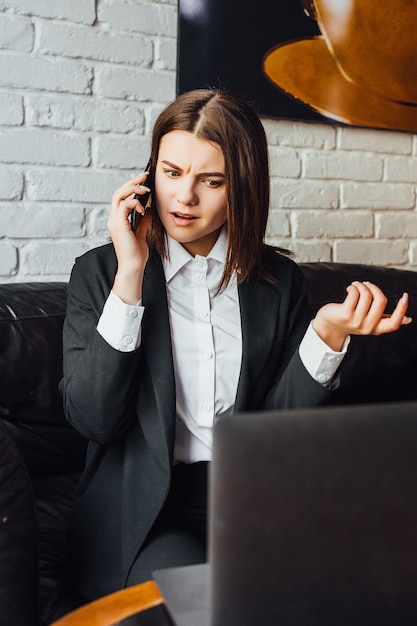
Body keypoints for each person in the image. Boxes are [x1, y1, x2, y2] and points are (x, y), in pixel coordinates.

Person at [60, 88, 411, 606]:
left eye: (212, 181)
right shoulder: (100, 273)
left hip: (249, 499)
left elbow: (275, 431)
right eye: (171, 172)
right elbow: (93, 419)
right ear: (148, 174)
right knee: (218, 601)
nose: (184, 198)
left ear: (241, 187)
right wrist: (130, 274)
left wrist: (328, 333)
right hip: (144, 512)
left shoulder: (277, 281)